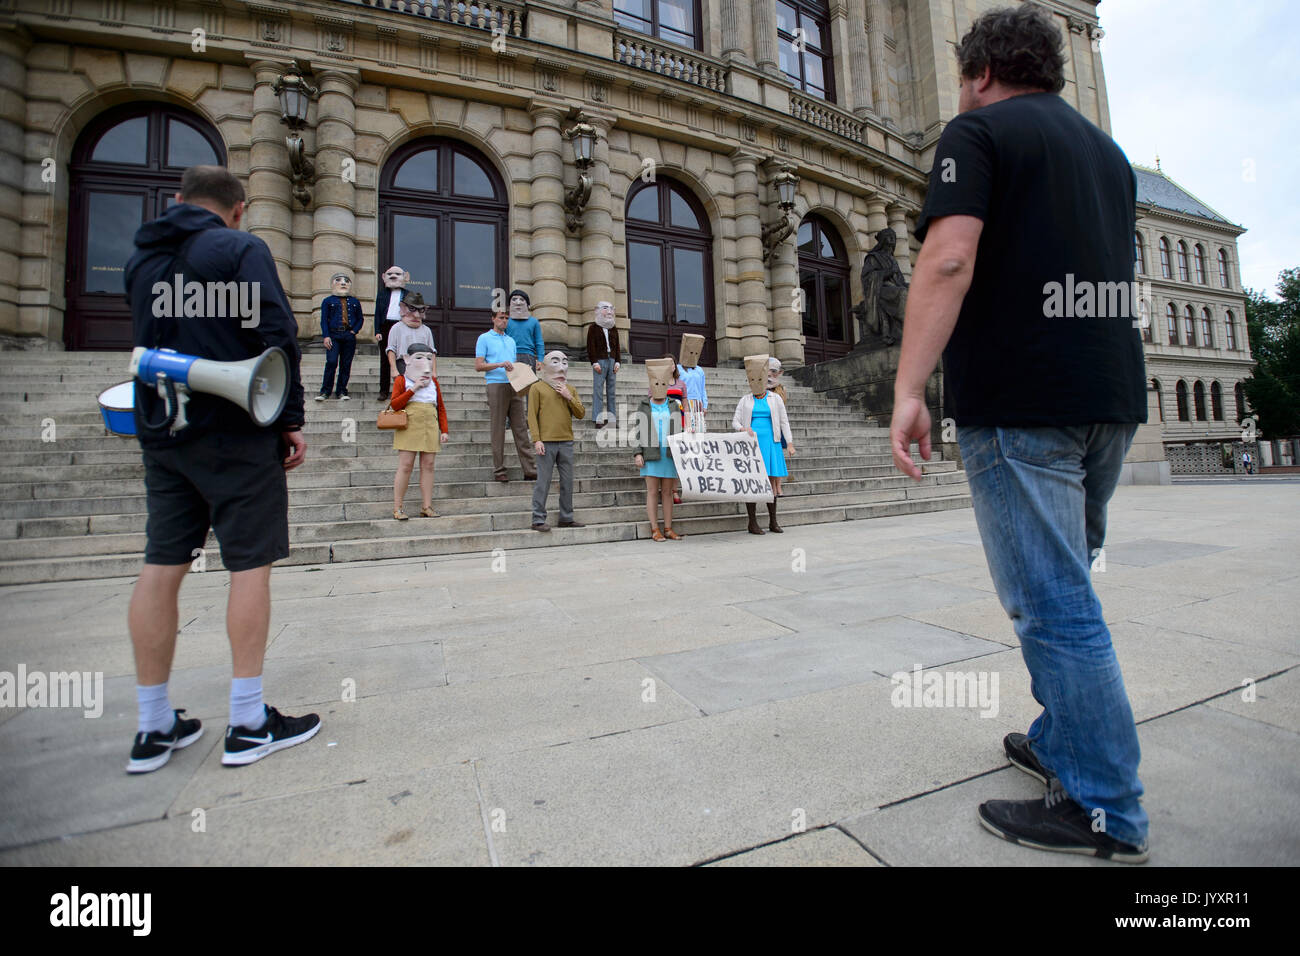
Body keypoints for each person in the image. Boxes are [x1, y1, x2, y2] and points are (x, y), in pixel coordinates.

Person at [888, 5, 1150, 862]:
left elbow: (949, 257)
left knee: (1051, 602)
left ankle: (1103, 808)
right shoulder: (1108, 155)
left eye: (967, 77)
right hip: (1108, 397)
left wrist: (909, 387)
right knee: (1067, 585)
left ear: (983, 72)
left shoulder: (978, 131)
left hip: (1023, 399)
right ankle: (1064, 738)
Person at [122, 164, 318, 772]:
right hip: (235, 427)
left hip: (163, 429)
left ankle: (153, 727)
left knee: (161, 565)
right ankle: (248, 720)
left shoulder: (140, 260)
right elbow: (276, 333)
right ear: (237, 209)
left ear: (178, 201)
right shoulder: (240, 247)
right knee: (249, 565)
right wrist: (289, 416)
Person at [733, 354, 795, 534]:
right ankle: (752, 522)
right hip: (751, 445)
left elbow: (784, 422)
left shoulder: (775, 399)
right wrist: (743, 429)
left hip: (771, 444)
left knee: (770, 483)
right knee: (752, 482)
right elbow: (735, 421)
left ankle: (773, 521)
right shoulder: (745, 400)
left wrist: (789, 443)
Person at [475, 309, 537, 482]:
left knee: (521, 428)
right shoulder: (484, 338)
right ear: (493, 319)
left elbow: (512, 364)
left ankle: (530, 469)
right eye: (501, 317)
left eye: (507, 318)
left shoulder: (511, 341)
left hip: (513, 384)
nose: (504, 321)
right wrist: (500, 364)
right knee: (498, 429)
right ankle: (499, 470)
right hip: (495, 384)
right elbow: (479, 366)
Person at [390, 344, 449, 520]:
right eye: (420, 357)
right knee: (406, 465)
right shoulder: (402, 380)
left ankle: (427, 505)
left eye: (429, 358)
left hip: (429, 424)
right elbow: (395, 405)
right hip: (409, 424)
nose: (426, 363)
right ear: (407, 359)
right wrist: (413, 389)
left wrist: (444, 429)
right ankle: (398, 507)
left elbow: (441, 408)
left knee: (429, 465)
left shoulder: (434, 383)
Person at [528, 350, 586, 531]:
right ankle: (538, 519)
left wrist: (568, 397)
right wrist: (537, 440)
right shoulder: (537, 388)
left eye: (565, 362)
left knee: (567, 482)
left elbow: (581, 413)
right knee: (543, 482)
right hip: (546, 442)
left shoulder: (571, 389)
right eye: (555, 362)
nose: (561, 367)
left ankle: (566, 517)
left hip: (566, 441)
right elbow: (531, 416)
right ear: (544, 367)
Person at [633, 359, 685, 541]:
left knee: (668, 493)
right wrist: (638, 453)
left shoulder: (673, 405)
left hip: (670, 454)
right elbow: (638, 430)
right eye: (656, 383)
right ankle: (655, 528)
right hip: (651, 454)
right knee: (653, 492)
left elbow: (680, 429)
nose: (659, 386)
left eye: (663, 383)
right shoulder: (644, 405)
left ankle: (669, 528)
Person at [317, 272, 364, 401]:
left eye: (346, 281)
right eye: (339, 280)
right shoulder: (327, 301)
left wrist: (354, 331)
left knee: (346, 364)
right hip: (333, 335)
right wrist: (326, 336)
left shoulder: (355, 301)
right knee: (331, 362)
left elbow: (360, 319)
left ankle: (342, 391)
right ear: (332, 284)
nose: (343, 283)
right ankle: (325, 391)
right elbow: (324, 320)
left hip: (349, 335)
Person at [374, 265, 409, 401]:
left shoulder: (408, 294)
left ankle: (401, 389)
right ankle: (383, 391)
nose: (393, 276)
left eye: (397, 274)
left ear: (405, 277)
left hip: (401, 327)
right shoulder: (382, 294)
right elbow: (377, 314)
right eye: (390, 274)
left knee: (402, 359)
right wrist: (377, 331)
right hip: (385, 327)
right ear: (384, 277)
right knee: (385, 360)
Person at [385, 291, 436, 384]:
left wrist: (434, 371)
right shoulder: (397, 328)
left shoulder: (426, 330)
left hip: (424, 365)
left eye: (420, 310)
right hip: (403, 364)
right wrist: (394, 369)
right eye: (413, 309)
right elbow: (391, 350)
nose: (416, 315)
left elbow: (432, 352)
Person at [586, 300, 621, 428]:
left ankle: (612, 419)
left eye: (611, 308)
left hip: (612, 361)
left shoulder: (614, 328)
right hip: (599, 361)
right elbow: (591, 346)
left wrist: (618, 361)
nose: (609, 311)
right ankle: (598, 419)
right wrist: (594, 362)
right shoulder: (593, 328)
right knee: (598, 391)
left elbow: (617, 347)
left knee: (611, 392)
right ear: (598, 310)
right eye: (606, 308)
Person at [506, 289, 544, 372]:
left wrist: (540, 359)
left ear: (528, 305)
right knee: (511, 383)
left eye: (522, 300)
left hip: (529, 356)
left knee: (529, 383)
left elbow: (539, 342)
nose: (518, 302)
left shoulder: (534, 322)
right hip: (509, 355)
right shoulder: (506, 321)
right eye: (514, 299)